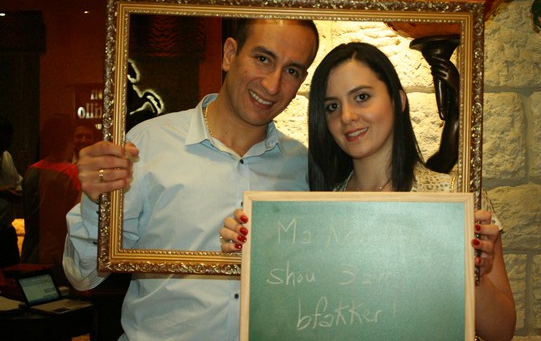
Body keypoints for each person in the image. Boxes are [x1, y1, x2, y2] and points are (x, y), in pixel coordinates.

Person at [221, 42, 516, 341]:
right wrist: (253, 249)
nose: (347, 116)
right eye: (332, 106)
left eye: (362, 97)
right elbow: (294, 316)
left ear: (398, 100)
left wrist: (471, 271)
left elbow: (501, 332)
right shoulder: (315, 215)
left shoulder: (455, 199)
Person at [63, 18, 320, 340]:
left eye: (292, 70)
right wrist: (96, 200)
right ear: (229, 55)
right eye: (263, 59)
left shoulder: (302, 168)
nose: (272, 85)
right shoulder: (146, 146)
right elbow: (82, 275)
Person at [21, 115, 81, 286]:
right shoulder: (72, 174)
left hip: (31, 252)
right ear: (69, 139)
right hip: (57, 256)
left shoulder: (31, 170)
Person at [0, 116, 22, 268]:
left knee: (13, 273)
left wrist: (21, 191)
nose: (8, 142)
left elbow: (17, 181)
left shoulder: (6, 156)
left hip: (6, 231)